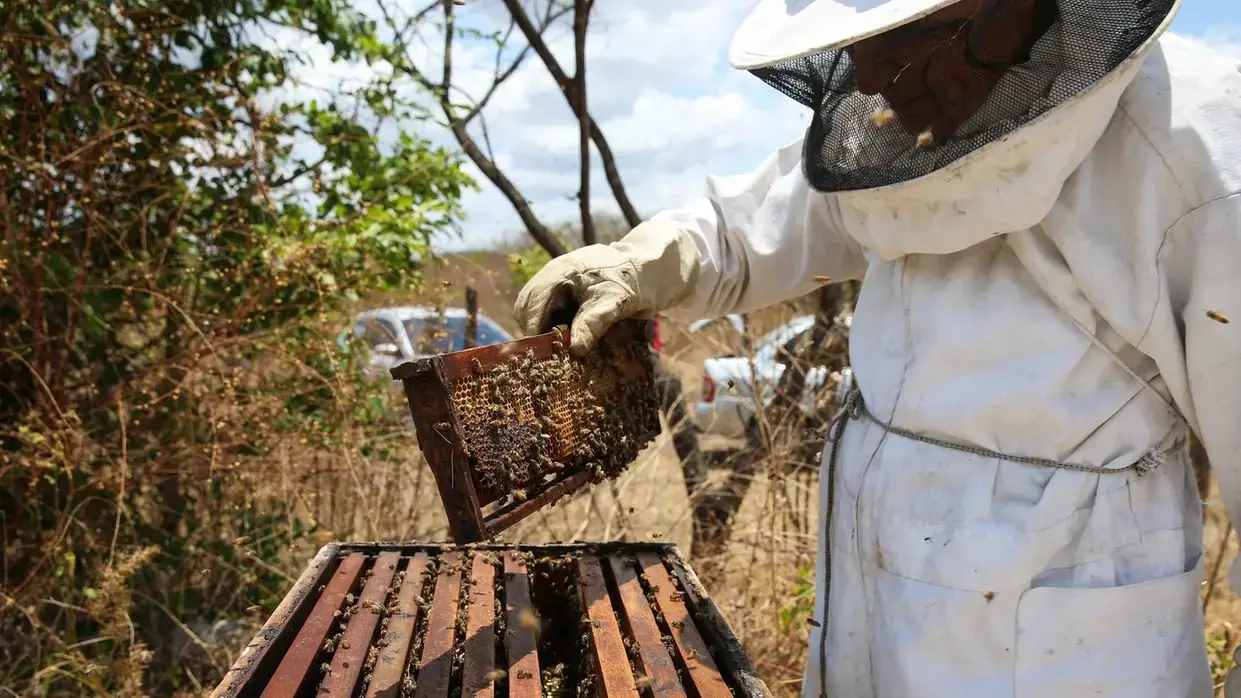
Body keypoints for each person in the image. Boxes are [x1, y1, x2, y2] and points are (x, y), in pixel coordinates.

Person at [514, 0, 1241, 695]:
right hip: (871, 615)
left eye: (898, 42)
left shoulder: (1200, 154)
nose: (867, 79)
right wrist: (645, 260)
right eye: (858, 46)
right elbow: (753, 224)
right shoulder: (903, 130)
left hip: (1075, 655)